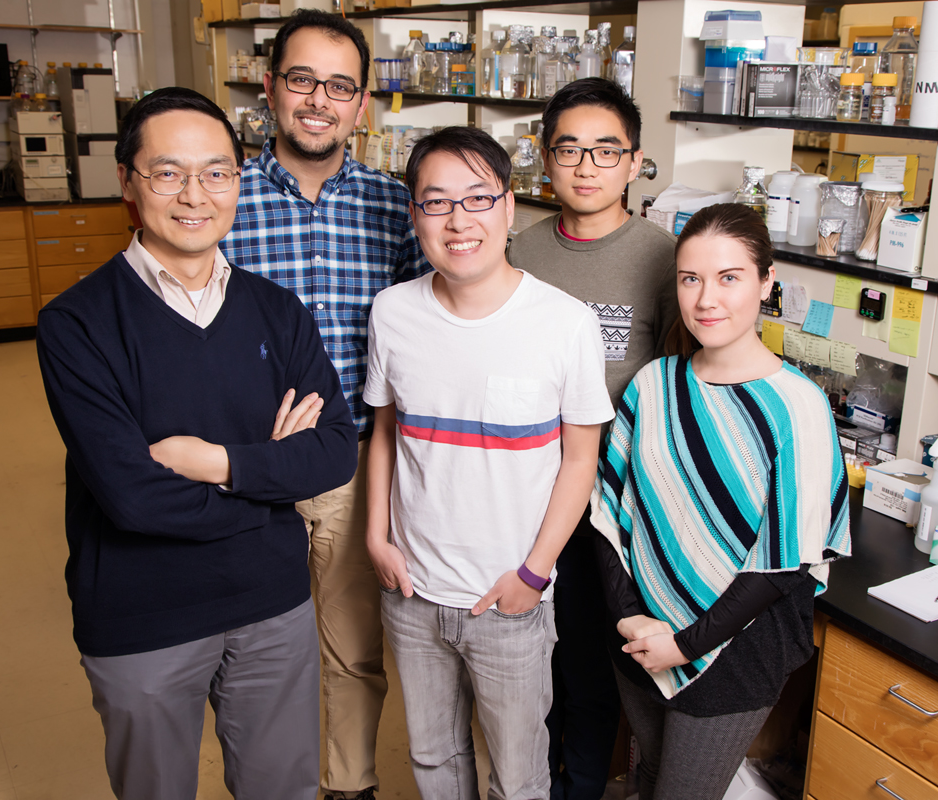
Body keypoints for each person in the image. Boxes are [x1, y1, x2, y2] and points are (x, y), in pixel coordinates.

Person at [36, 87, 358, 800]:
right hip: (144, 614)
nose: (195, 195)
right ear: (127, 182)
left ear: (238, 182)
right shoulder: (77, 324)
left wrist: (216, 463)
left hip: (273, 605)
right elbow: (132, 498)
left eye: (216, 172)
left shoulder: (278, 310)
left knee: (284, 790)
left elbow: (335, 452)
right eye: (167, 172)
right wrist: (272, 483)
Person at [363, 126, 614, 800]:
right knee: (433, 761)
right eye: (436, 202)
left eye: (477, 198)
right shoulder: (393, 312)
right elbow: (385, 433)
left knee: (518, 776)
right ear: (414, 214)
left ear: (508, 207)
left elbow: (581, 459)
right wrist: (376, 537)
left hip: (509, 600)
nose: (458, 220)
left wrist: (533, 573)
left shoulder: (564, 322)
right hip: (412, 593)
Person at [220, 12, 428, 800]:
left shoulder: (394, 206)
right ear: (270, 86)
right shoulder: (222, 196)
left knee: (353, 650)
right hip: (246, 466)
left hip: (351, 464)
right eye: (302, 80)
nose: (319, 101)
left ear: (362, 103)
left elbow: (424, 332)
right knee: (254, 655)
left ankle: (349, 786)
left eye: (339, 86)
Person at [590, 203, 852, 800]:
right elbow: (607, 514)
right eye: (691, 279)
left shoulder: (798, 408)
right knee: (650, 777)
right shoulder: (653, 384)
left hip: (736, 654)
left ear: (766, 282)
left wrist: (683, 645)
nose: (707, 299)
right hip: (640, 632)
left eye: (729, 277)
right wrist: (629, 616)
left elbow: (783, 563)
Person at [506, 77, 678, 800]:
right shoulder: (516, 250)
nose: (586, 167)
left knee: (587, 669)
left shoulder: (666, 258)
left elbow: (679, 386)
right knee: (521, 668)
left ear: (634, 162)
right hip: (519, 493)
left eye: (606, 151)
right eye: (569, 149)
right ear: (545, 158)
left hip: (608, 508)